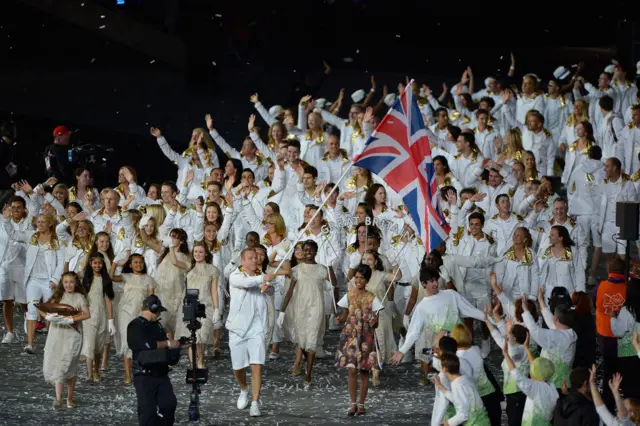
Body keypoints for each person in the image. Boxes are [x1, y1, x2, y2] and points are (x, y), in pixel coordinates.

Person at [227, 247, 279, 417]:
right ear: (242, 260)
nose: (254, 260)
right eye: (250, 258)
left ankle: (255, 403)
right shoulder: (235, 275)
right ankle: (244, 389)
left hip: (257, 326)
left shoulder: (261, 275)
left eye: (256, 258)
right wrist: (262, 279)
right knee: (238, 367)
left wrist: (267, 287)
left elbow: (271, 291)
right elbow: (246, 283)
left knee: (256, 365)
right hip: (238, 328)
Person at [127, 295, 184, 426]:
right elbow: (148, 345)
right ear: (153, 309)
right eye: (158, 311)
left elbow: (164, 349)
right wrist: (169, 343)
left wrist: (175, 348)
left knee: (169, 405)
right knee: (148, 413)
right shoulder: (135, 326)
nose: (159, 315)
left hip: (161, 374)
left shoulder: (157, 326)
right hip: (144, 376)